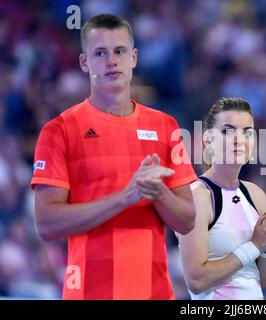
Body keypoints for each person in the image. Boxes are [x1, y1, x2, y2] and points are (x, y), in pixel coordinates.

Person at [30, 14, 197, 300]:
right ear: (85, 63)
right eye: (100, 53)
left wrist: (156, 193)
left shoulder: (166, 127)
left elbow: (187, 221)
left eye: (119, 51)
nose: (111, 61)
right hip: (88, 293)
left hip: (155, 294)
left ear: (133, 58)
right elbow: (46, 223)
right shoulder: (59, 131)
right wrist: (125, 197)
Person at [178, 97, 266, 300]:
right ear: (208, 139)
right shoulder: (198, 196)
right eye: (227, 131)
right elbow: (196, 281)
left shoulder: (256, 194)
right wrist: (255, 245)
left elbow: (262, 278)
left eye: (247, 132)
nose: (239, 139)